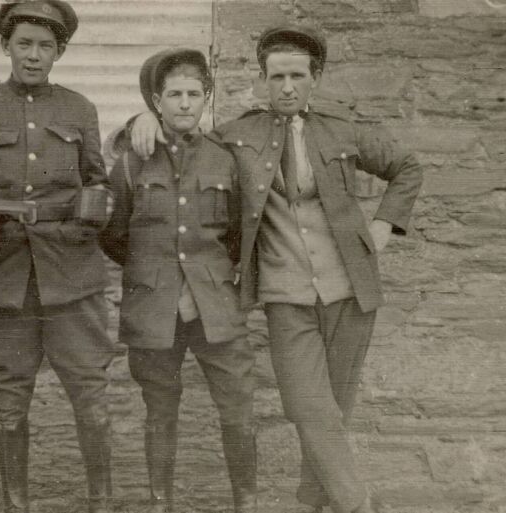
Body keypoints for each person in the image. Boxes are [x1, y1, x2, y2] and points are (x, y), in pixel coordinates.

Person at [129, 26, 423, 513]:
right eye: (276, 77)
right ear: (262, 81)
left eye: (297, 76)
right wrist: (142, 117)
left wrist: (384, 226)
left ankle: (310, 501)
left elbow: (407, 167)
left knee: (334, 409)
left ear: (315, 78)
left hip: (351, 288)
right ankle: (357, 505)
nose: (287, 87)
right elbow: (186, 135)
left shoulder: (342, 130)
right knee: (306, 405)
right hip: (286, 294)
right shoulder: (237, 135)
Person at [0, 2, 114, 511]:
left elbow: (97, 179)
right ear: (6, 46)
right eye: (24, 45)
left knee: (92, 402)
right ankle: (17, 505)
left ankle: (101, 502)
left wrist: (94, 206)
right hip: (4, 276)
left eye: (45, 47)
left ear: (60, 51)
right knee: (10, 405)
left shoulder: (80, 109)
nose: (34, 56)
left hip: (72, 275)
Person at [99, 49, 257, 513]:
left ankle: (245, 504)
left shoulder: (226, 160)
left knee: (239, 412)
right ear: (156, 101)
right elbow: (113, 235)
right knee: (159, 412)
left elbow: (236, 235)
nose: (185, 103)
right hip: (154, 308)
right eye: (174, 95)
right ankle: (159, 504)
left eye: (194, 94)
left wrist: (205, 279)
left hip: (216, 308)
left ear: (206, 98)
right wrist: (154, 273)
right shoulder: (131, 162)